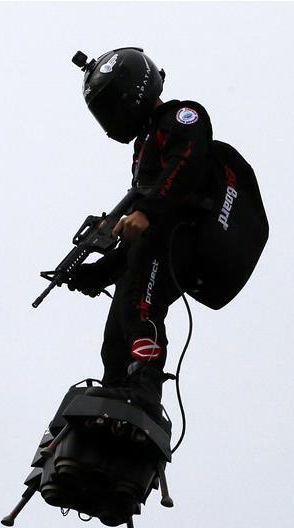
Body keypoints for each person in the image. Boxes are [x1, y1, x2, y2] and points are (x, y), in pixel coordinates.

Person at [66, 48, 213, 420]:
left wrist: (146, 211)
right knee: (118, 326)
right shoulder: (142, 147)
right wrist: (100, 271)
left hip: (183, 232)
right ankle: (114, 393)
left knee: (139, 307)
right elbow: (139, 231)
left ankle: (144, 387)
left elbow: (187, 163)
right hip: (155, 240)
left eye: (113, 105)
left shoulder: (180, 116)